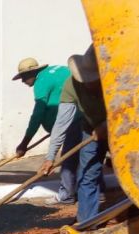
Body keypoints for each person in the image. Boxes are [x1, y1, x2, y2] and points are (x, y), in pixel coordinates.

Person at [39, 45, 108, 222]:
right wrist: (50, 157)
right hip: (90, 128)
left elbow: (131, 110)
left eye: (93, 79)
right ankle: (87, 223)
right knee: (87, 175)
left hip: (125, 129)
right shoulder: (72, 84)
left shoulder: (117, 80)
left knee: (132, 173)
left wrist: (108, 125)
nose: (89, 83)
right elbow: (61, 123)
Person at [12, 58, 76, 204]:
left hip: (72, 119)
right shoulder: (57, 70)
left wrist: (24, 144)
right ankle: (97, 192)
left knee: (67, 158)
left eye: (23, 77)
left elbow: (37, 116)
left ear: (33, 72)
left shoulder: (41, 82)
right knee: (84, 158)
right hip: (83, 114)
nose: (22, 81)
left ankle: (67, 194)